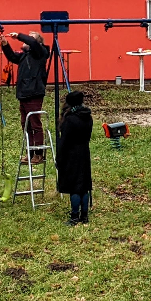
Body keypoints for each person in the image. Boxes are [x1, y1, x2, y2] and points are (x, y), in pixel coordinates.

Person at [2, 31, 52, 160]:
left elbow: (33, 43)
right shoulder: (25, 56)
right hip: (24, 93)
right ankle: (30, 153)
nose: (26, 41)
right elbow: (12, 57)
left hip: (34, 92)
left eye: (29, 39)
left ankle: (39, 154)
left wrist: (18, 35)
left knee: (35, 124)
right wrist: (5, 45)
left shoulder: (40, 53)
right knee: (26, 124)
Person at [56, 90, 93, 225]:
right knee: (84, 185)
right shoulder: (88, 117)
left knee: (74, 187)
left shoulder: (69, 120)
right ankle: (84, 216)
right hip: (84, 153)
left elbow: (64, 141)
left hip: (71, 155)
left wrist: (59, 159)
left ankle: (74, 216)